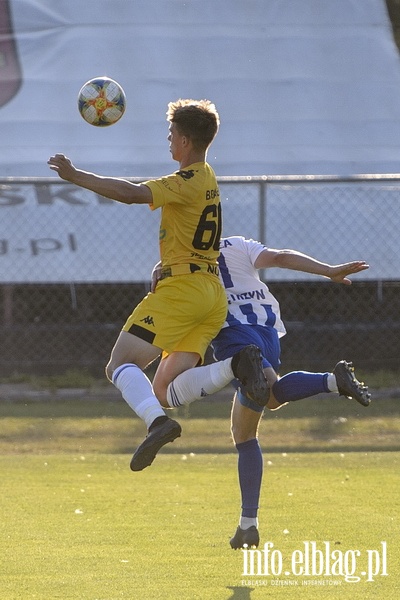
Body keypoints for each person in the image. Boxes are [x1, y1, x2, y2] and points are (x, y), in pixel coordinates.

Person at [47, 100, 268, 472]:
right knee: (165, 389)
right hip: (210, 292)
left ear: (183, 140)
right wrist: (167, 263)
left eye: (170, 134)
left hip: (184, 291)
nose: (168, 140)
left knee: (119, 364)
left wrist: (75, 175)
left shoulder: (187, 179)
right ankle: (234, 366)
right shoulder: (207, 176)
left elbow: (132, 193)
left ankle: (157, 424)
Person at [152, 235, 371, 549]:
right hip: (267, 327)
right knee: (248, 427)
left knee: (265, 399)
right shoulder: (236, 243)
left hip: (231, 331)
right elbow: (281, 256)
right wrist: (328, 270)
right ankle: (247, 527)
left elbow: (168, 292)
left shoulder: (180, 259)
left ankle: (332, 381)